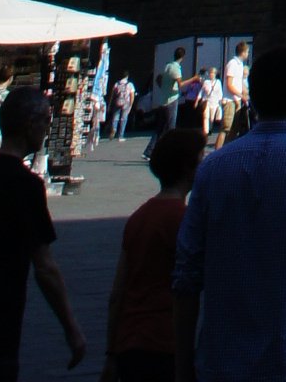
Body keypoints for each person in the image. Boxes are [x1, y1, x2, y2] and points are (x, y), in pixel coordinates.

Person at [171, 45, 286, 382]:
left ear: (251, 99)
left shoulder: (212, 169)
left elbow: (186, 275)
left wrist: (183, 365)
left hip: (218, 360)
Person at [0, 81, 87, 375]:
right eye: (46, 123)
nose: (48, 130)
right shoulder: (26, 186)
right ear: (30, 125)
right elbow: (45, 267)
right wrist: (72, 328)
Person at [103, 121, 204, 382]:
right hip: (164, 341)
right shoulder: (185, 221)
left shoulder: (138, 217)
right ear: (187, 167)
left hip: (129, 340)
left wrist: (110, 353)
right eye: (201, 160)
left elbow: (117, 292)